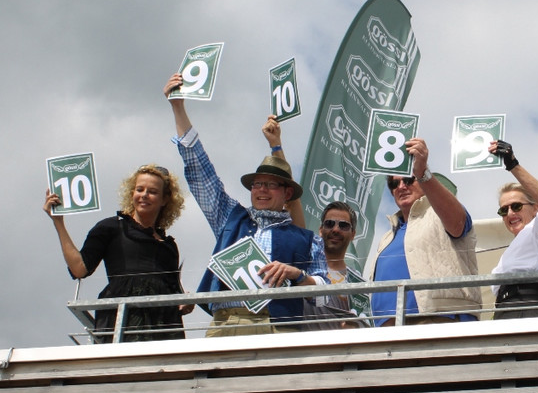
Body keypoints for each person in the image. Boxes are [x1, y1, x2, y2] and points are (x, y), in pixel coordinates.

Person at [163, 73, 328, 336]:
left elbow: (324, 292)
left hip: (281, 328)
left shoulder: (307, 239)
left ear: (287, 194)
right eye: (256, 184)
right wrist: (179, 108)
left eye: (270, 184)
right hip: (227, 322)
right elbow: (200, 172)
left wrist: (296, 274)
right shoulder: (230, 216)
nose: (261, 189)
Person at [43, 165, 191, 342]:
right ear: (131, 193)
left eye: (152, 191)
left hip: (162, 326)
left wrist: (185, 303)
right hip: (122, 322)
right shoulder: (110, 227)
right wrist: (58, 223)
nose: (144, 195)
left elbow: (175, 294)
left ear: (165, 199)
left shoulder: (169, 245)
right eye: (139, 189)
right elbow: (79, 269)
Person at [368, 137, 481, 326]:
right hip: (390, 330)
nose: (401, 187)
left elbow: (458, 223)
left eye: (408, 180)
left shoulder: (437, 214)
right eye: (394, 184)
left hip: (439, 319)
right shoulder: (387, 236)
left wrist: (423, 172)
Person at [488, 140, 538, 319]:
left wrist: (512, 164)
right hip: (504, 310)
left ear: (535, 208)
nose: (510, 213)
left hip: (530, 307)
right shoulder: (510, 250)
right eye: (504, 210)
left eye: (516, 206)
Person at [302, 201, 368, 329]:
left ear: (353, 234)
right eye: (329, 224)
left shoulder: (357, 280)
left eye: (343, 225)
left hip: (339, 347)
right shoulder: (304, 266)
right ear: (321, 230)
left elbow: (365, 323)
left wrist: (355, 327)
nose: (336, 229)